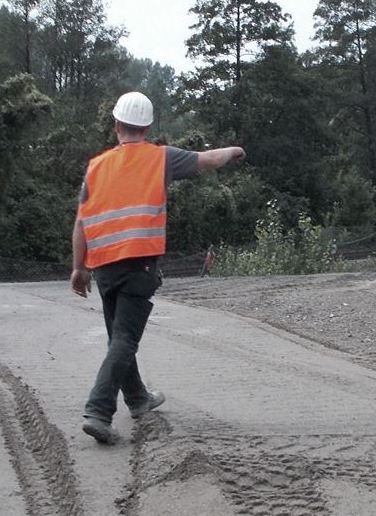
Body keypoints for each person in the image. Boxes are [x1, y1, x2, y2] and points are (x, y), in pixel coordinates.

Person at [71, 91, 245, 445]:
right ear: (147, 127)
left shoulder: (96, 166)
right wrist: (234, 151)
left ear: (116, 125)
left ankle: (138, 400)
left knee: (118, 337)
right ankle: (98, 410)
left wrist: (79, 268)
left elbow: (80, 222)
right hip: (139, 264)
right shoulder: (160, 158)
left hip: (103, 266)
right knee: (124, 340)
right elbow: (209, 159)